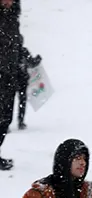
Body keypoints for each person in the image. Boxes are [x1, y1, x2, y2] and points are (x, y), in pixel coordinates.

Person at [0, 0, 21, 170]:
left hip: (10, 77)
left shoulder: (13, 19)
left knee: (6, 119)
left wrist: (26, 61)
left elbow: (18, 46)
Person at [14, 39, 42, 131]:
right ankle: (20, 122)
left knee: (8, 102)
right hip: (21, 80)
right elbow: (31, 63)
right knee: (22, 101)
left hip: (11, 80)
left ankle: (5, 121)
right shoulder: (23, 51)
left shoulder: (9, 51)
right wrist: (38, 59)